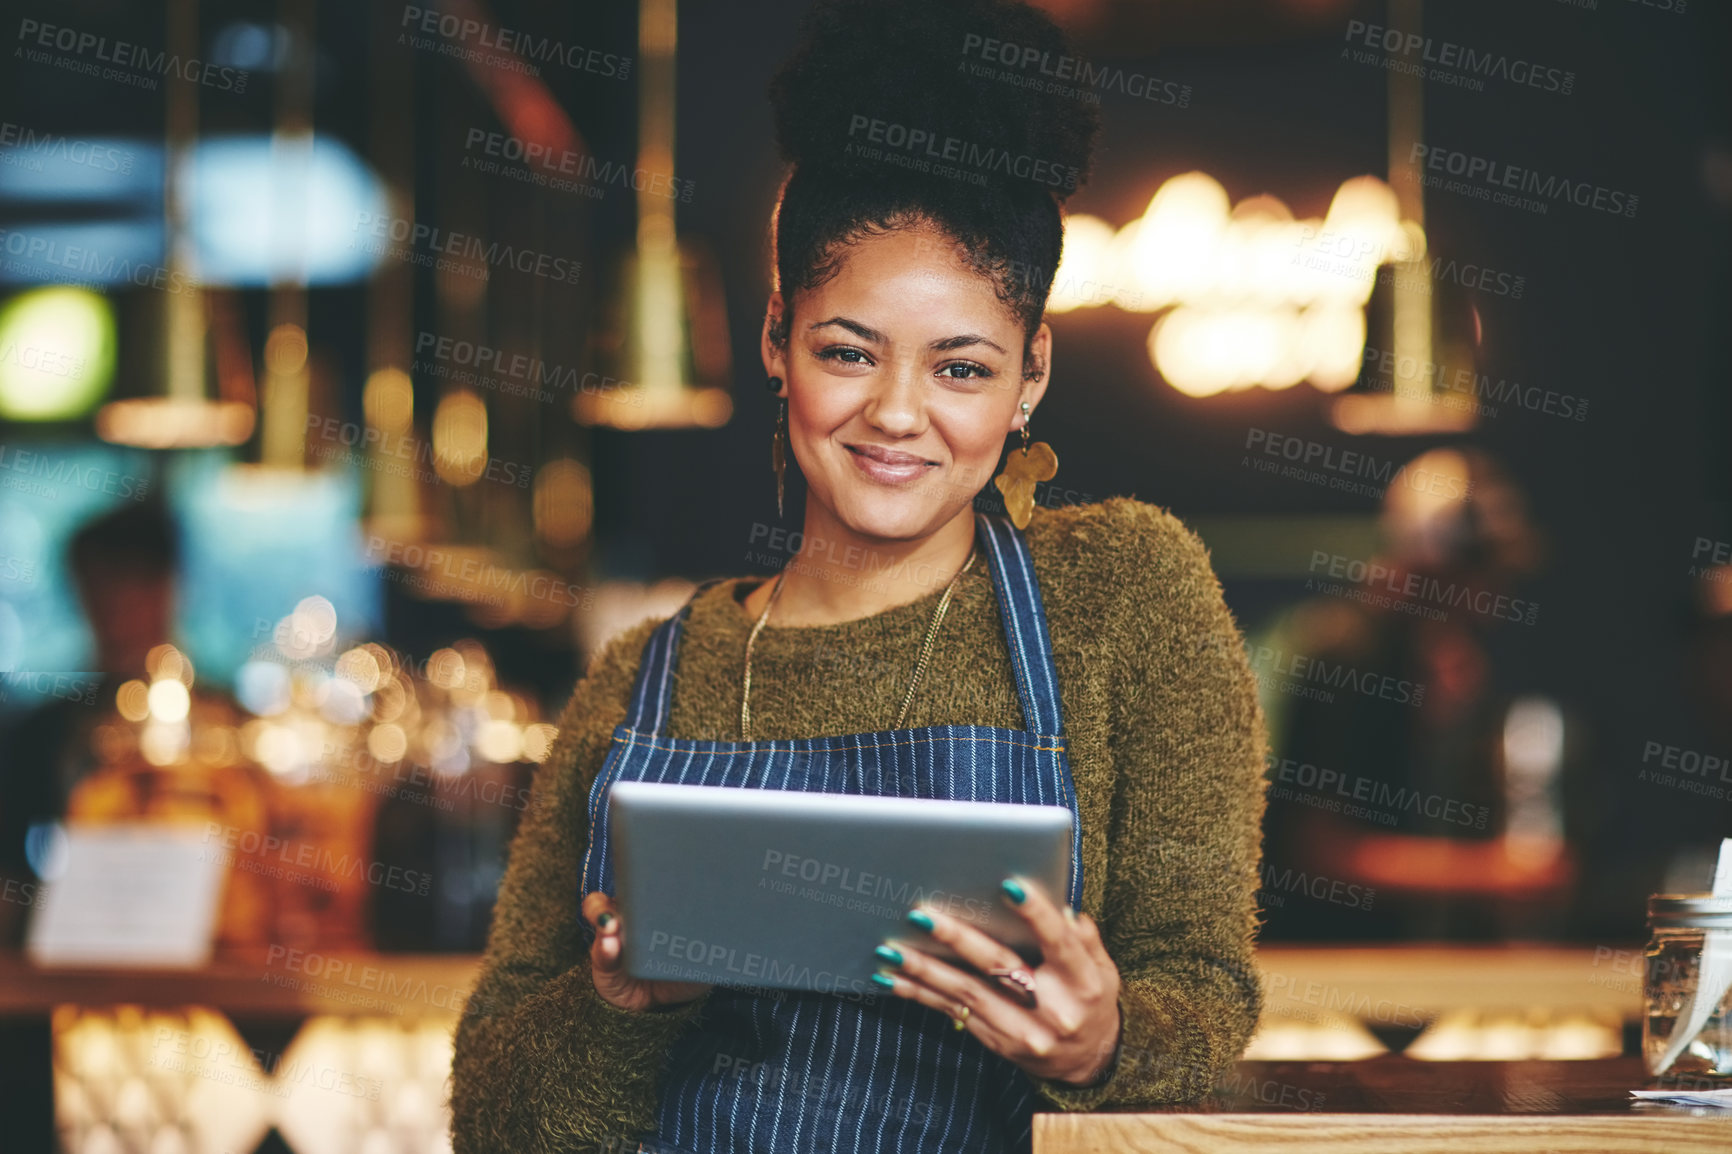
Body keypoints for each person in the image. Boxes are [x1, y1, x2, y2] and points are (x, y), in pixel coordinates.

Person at [450, 2, 1267, 1150]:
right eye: (848, 350)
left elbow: (1206, 997)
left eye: (961, 367)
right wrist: (620, 1002)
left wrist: (1103, 1039)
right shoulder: (647, 675)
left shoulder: (1126, 593)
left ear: (1030, 371)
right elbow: (494, 1123)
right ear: (779, 336)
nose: (895, 414)